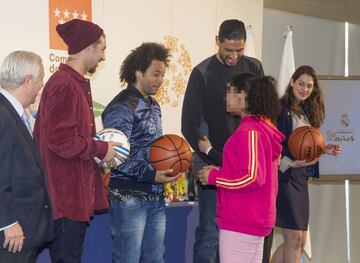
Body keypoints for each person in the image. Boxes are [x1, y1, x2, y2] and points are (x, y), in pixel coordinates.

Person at [181, 19, 266, 263]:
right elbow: (189, 125)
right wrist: (213, 156)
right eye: (228, 50)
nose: (234, 56)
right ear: (217, 41)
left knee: (242, 229)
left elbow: (264, 112)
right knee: (210, 231)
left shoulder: (254, 67)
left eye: (239, 50)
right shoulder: (202, 72)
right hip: (211, 161)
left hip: (246, 164)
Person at [34, 19, 118, 262]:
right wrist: (101, 148)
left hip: (70, 198)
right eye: (102, 50)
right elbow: (61, 140)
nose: (102, 57)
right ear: (88, 48)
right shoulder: (65, 84)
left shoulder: (71, 83)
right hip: (64, 199)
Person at [102, 42, 179, 263]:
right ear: (138, 72)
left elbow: (154, 150)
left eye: (163, 75)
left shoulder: (154, 105)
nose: (160, 80)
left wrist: (169, 165)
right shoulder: (121, 106)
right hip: (128, 199)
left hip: (155, 196)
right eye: (156, 74)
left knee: (156, 259)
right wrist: (150, 175)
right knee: (128, 259)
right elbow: (115, 156)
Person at [197, 76, 285, 263]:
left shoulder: (250, 131)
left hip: (242, 220)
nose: (225, 98)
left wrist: (214, 177)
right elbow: (248, 169)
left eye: (229, 92)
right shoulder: (259, 128)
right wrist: (222, 170)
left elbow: (252, 177)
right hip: (252, 219)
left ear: (242, 96)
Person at [271, 65, 342, 263]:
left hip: (299, 179)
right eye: (301, 84)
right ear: (292, 82)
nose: (304, 89)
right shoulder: (279, 109)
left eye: (309, 86)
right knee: (294, 239)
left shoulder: (307, 111)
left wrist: (323, 149)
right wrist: (288, 163)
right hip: (284, 178)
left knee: (299, 241)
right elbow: (271, 146)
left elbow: (305, 146)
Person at [0, 51, 53, 262]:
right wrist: (7, 222)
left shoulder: (16, 113)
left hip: (25, 230)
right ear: (28, 80)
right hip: (12, 234)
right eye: (41, 78)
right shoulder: (2, 114)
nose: (42, 85)